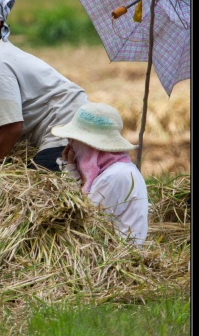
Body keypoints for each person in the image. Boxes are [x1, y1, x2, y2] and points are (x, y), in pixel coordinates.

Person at [0, 0, 89, 170]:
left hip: (67, 130)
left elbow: (11, 128)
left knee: (36, 186)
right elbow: (5, 127)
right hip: (63, 128)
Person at [51, 102, 148, 247]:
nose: (69, 144)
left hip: (116, 255)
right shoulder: (114, 170)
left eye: (74, 140)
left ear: (90, 145)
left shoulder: (114, 177)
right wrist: (70, 167)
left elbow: (81, 221)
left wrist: (70, 170)